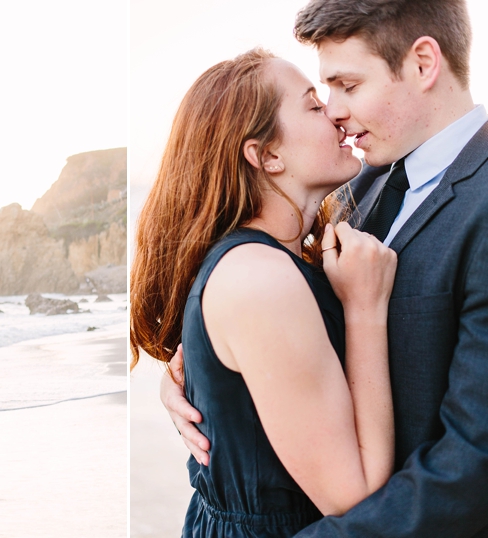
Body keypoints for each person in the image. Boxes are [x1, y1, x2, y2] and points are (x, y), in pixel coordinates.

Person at [162, 0, 488, 535]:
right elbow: (275, 305)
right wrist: (204, 380)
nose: (335, 110)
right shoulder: (361, 183)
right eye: (321, 96)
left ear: (424, 64)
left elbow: (472, 463)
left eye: (348, 86)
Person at [131, 47, 398, 536]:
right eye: (314, 106)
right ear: (266, 155)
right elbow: (354, 498)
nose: (337, 116)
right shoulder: (259, 277)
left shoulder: (277, 260)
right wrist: (364, 308)